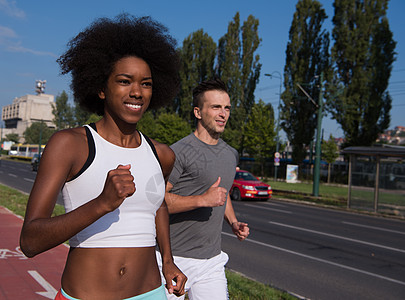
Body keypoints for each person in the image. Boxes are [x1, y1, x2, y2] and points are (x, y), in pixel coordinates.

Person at [20, 14, 186, 300]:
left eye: (146, 84)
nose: (137, 92)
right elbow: (30, 241)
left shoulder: (162, 154)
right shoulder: (70, 145)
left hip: (151, 293)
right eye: (124, 81)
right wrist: (102, 203)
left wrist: (168, 259)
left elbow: (157, 205)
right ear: (100, 87)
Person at [156, 78, 250, 299]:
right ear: (198, 112)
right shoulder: (178, 152)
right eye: (216, 107)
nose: (223, 114)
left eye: (227, 108)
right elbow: (156, 201)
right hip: (171, 259)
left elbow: (222, 193)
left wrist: (233, 222)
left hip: (211, 261)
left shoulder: (231, 154)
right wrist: (201, 200)